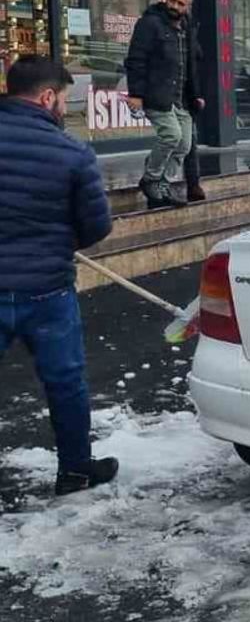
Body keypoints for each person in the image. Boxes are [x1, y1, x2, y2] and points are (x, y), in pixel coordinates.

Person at [0, 55, 118, 496]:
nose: (63, 108)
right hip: (46, 292)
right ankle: (75, 470)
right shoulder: (72, 152)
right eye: (64, 99)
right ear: (48, 96)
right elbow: (96, 228)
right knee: (65, 383)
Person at [126, 0, 205, 209]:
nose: (175, 6)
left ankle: (162, 185)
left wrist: (197, 94)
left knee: (184, 145)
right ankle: (150, 179)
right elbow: (136, 60)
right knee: (171, 135)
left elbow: (192, 65)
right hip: (158, 93)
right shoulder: (150, 23)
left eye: (180, 4)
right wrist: (136, 94)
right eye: (172, 0)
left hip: (182, 98)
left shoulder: (187, 27)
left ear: (187, 7)